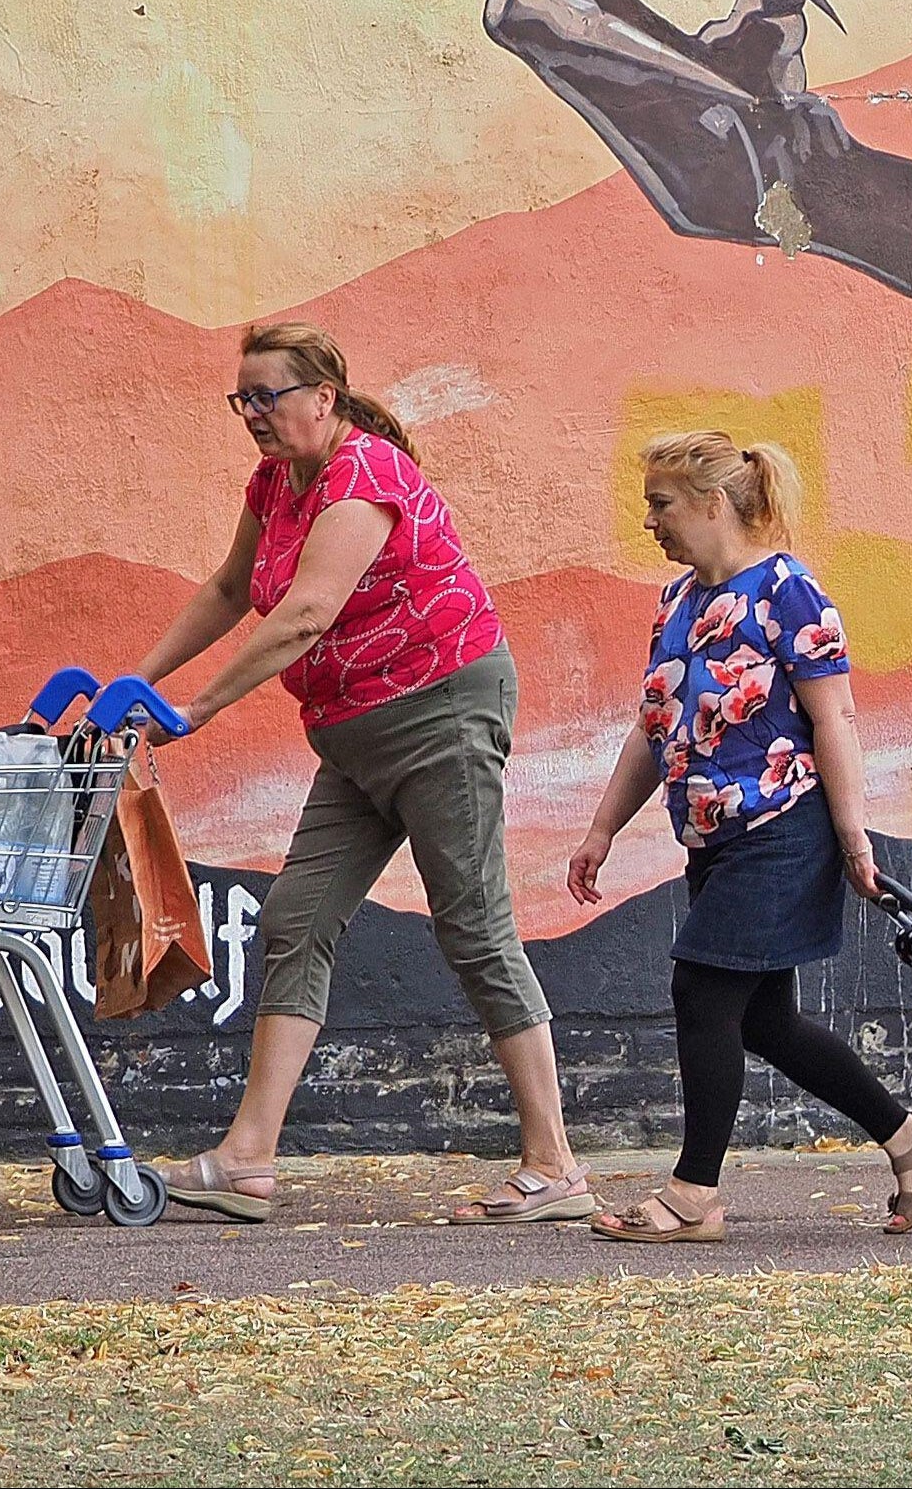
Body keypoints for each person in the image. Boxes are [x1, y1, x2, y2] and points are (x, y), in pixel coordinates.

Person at [133, 320, 593, 1225]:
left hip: (440, 710)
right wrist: (139, 678)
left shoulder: (364, 474)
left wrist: (196, 709)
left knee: (473, 927)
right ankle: (249, 1158)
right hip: (352, 732)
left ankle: (555, 1164)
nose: (253, 416)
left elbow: (305, 610)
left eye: (267, 396)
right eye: (243, 399)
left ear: (323, 398)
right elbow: (233, 590)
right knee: (296, 916)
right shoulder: (275, 482)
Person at [568, 431, 912, 1243]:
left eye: (661, 503)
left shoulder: (788, 589)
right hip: (714, 840)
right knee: (763, 1020)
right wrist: (602, 827)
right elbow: (655, 727)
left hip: (785, 830)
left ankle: (692, 1195)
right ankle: (909, 1138)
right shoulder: (678, 602)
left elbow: (833, 715)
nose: (649, 520)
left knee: (700, 991)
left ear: (712, 503)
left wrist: (852, 835)